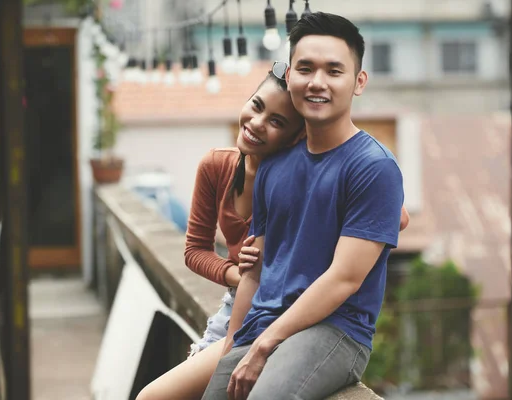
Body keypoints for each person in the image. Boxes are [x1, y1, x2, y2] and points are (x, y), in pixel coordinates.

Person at [137, 63, 409, 399]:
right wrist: (239, 273)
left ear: (298, 135)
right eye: (256, 105)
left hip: (290, 308)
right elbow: (194, 251)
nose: (257, 124)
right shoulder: (217, 165)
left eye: (277, 122)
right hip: (241, 305)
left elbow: (398, 216)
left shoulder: (304, 174)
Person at [202, 12, 405, 400]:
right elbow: (256, 272)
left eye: (334, 71)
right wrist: (231, 344)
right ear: (289, 75)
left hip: (336, 330)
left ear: (358, 81)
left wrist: (265, 345)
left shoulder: (374, 167)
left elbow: (345, 278)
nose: (317, 82)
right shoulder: (275, 165)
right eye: (306, 68)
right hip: (263, 322)